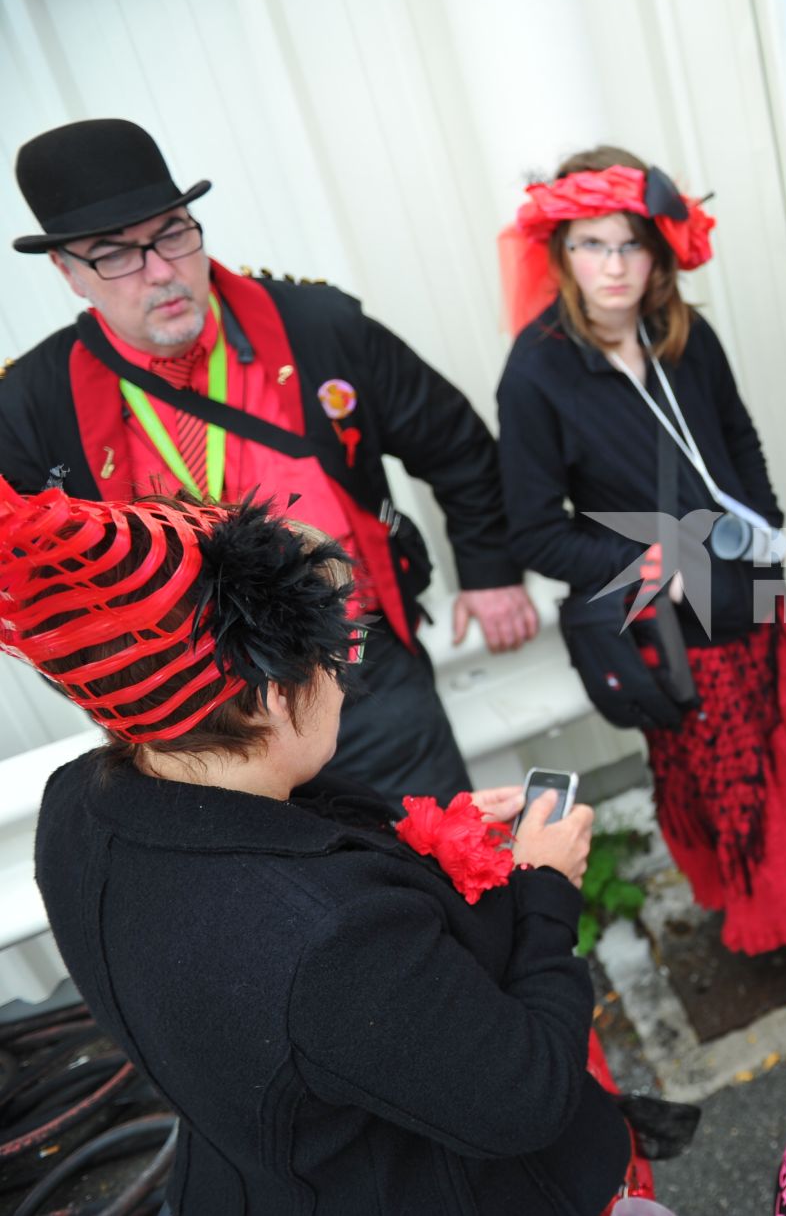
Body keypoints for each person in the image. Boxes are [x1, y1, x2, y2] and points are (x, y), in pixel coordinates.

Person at [3, 483, 647, 1214]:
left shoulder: (75, 805)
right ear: (276, 692)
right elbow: (530, 1096)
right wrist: (547, 888)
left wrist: (423, 835)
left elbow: (300, 871)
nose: (345, 675)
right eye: (337, 654)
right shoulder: (327, 939)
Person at [1, 118, 537, 806]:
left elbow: (455, 441)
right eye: (115, 254)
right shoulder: (31, 404)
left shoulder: (317, 325)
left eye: (172, 232)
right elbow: (25, 589)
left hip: (361, 681)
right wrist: (134, 704)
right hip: (198, 741)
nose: (161, 270)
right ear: (68, 272)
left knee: (452, 883)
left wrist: (490, 572)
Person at [495, 145, 786, 1010]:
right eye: (590, 245)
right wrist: (649, 567)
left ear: (658, 251)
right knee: (744, 779)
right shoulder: (537, 372)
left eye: (630, 244)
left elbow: (741, 439)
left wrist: (763, 527)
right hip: (666, 619)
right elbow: (536, 530)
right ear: (560, 253)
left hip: (747, 579)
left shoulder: (686, 335)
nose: (613, 266)